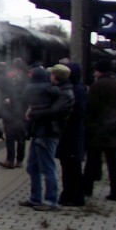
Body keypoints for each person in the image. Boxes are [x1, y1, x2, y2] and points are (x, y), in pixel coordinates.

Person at [21, 65, 72, 211]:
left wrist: (33, 113)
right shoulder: (54, 90)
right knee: (32, 166)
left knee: (48, 167)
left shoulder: (64, 93)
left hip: (48, 132)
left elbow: (53, 112)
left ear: (56, 76)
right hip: (39, 131)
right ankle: (35, 197)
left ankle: (51, 201)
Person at [85, 58, 116, 201]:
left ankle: (87, 189)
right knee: (113, 162)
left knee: (92, 161)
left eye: (96, 70)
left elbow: (91, 106)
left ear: (100, 71)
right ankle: (115, 192)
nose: (95, 73)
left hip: (97, 128)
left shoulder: (97, 86)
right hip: (115, 127)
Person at [58, 61, 88, 207]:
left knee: (72, 166)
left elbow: (79, 112)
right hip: (71, 133)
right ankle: (69, 194)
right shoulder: (77, 88)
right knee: (68, 165)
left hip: (72, 133)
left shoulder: (76, 90)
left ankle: (74, 196)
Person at [0, 58, 28, 168]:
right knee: (11, 137)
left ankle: (18, 160)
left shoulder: (25, 81)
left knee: (19, 137)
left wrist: (12, 100)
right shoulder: (10, 79)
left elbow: (24, 96)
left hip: (18, 112)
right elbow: (1, 86)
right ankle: (11, 160)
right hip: (10, 112)